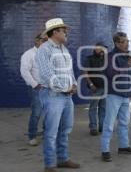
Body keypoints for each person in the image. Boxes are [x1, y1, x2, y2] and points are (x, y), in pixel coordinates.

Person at [36, 18, 80, 172]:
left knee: (65, 129)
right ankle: (49, 165)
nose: (66, 32)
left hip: (66, 96)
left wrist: (74, 84)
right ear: (55, 32)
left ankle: (62, 159)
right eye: (63, 30)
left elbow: (69, 71)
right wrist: (64, 88)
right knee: (51, 132)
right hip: (52, 95)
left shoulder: (64, 49)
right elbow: (47, 74)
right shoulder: (44, 49)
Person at [101, 32, 131, 162]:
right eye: (124, 41)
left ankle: (123, 146)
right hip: (114, 95)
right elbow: (112, 73)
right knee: (109, 123)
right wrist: (127, 65)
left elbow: (130, 75)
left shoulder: (127, 56)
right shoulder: (110, 56)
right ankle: (105, 150)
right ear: (117, 43)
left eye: (127, 41)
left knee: (124, 122)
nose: (127, 43)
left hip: (126, 95)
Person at [20, 33, 48, 146]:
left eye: (47, 40)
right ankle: (32, 136)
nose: (45, 42)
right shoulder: (28, 54)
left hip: (49, 88)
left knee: (49, 112)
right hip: (37, 89)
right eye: (43, 40)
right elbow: (24, 71)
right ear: (36, 41)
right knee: (36, 113)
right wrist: (35, 84)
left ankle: (47, 134)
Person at [84, 42, 107, 136]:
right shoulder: (89, 59)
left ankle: (102, 126)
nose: (102, 50)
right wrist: (90, 84)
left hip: (105, 87)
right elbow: (85, 72)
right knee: (93, 107)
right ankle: (93, 127)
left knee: (103, 107)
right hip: (95, 88)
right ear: (95, 48)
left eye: (104, 49)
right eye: (100, 48)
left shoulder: (106, 59)